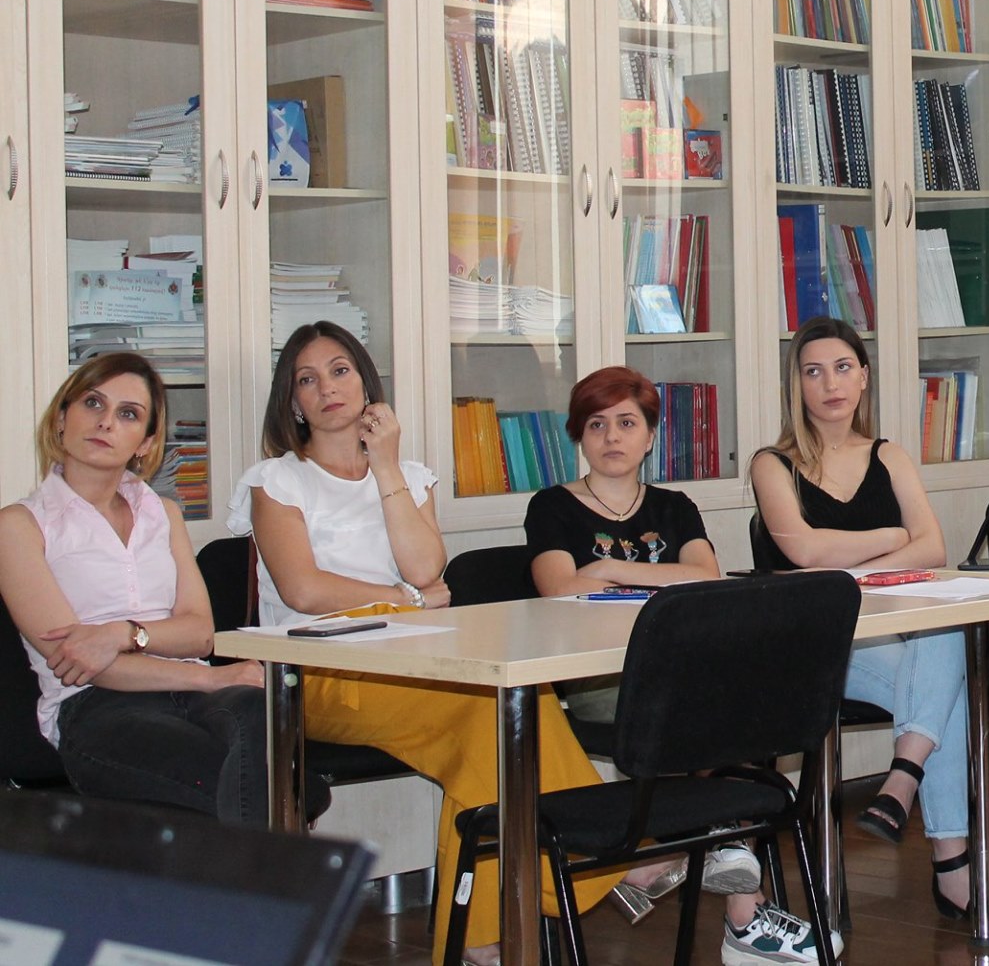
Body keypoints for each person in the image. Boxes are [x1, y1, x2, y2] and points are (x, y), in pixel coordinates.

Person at [230, 326, 754, 966]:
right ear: (291, 401)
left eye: (340, 371)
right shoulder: (277, 481)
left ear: (366, 382)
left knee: (509, 722)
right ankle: (610, 861)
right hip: (318, 670)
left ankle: (479, 942)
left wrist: (386, 467)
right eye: (307, 380)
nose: (326, 388)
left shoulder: (409, 476)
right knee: (494, 721)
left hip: (413, 657)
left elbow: (426, 567)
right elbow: (305, 590)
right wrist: (406, 599)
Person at [750, 315, 989, 928]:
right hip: (812, 647)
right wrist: (891, 539)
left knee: (947, 628)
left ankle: (903, 779)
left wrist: (852, 568)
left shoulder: (889, 455)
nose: (830, 384)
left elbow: (934, 548)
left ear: (864, 377)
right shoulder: (772, 463)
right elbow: (805, 551)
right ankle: (950, 864)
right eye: (813, 371)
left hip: (882, 636)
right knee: (943, 690)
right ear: (796, 385)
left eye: (842, 368)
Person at [526, 364, 801, 938]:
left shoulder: (674, 507)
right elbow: (558, 588)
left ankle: (718, 865)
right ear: (579, 436)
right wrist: (654, 576)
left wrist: (606, 569)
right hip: (602, 680)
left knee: (740, 701)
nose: (612, 436)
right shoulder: (552, 507)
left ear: (650, 436)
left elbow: (706, 576)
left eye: (627, 423)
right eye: (597, 424)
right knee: (718, 709)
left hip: (682, 672)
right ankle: (737, 884)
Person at [0, 355, 278, 827]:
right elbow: (81, 663)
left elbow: (199, 634)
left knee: (258, 714)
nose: (106, 422)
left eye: (128, 414)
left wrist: (121, 633)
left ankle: (275, 845)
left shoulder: (162, 513)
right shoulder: (20, 526)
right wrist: (210, 679)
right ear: (62, 418)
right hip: (99, 708)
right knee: (257, 787)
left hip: (191, 694)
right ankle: (290, 829)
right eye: (93, 403)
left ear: (146, 443)